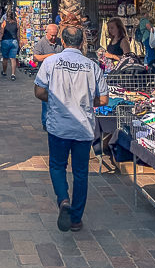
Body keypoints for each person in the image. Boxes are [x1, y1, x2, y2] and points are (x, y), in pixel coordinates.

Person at [34, 26, 108, 233]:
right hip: (83, 128)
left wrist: (56, 100)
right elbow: (103, 99)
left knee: (57, 166)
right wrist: (85, 102)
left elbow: (39, 91)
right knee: (81, 172)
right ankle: (76, 219)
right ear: (82, 42)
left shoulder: (51, 62)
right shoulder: (92, 66)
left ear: (63, 41)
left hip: (58, 125)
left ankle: (63, 200)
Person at [0, 8, 20, 80]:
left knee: (5, 58)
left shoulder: (4, 23)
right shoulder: (16, 24)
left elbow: (1, 32)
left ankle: (4, 71)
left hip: (5, 41)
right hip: (14, 41)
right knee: (13, 58)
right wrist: (19, 42)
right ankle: (13, 74)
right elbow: (18, 34)